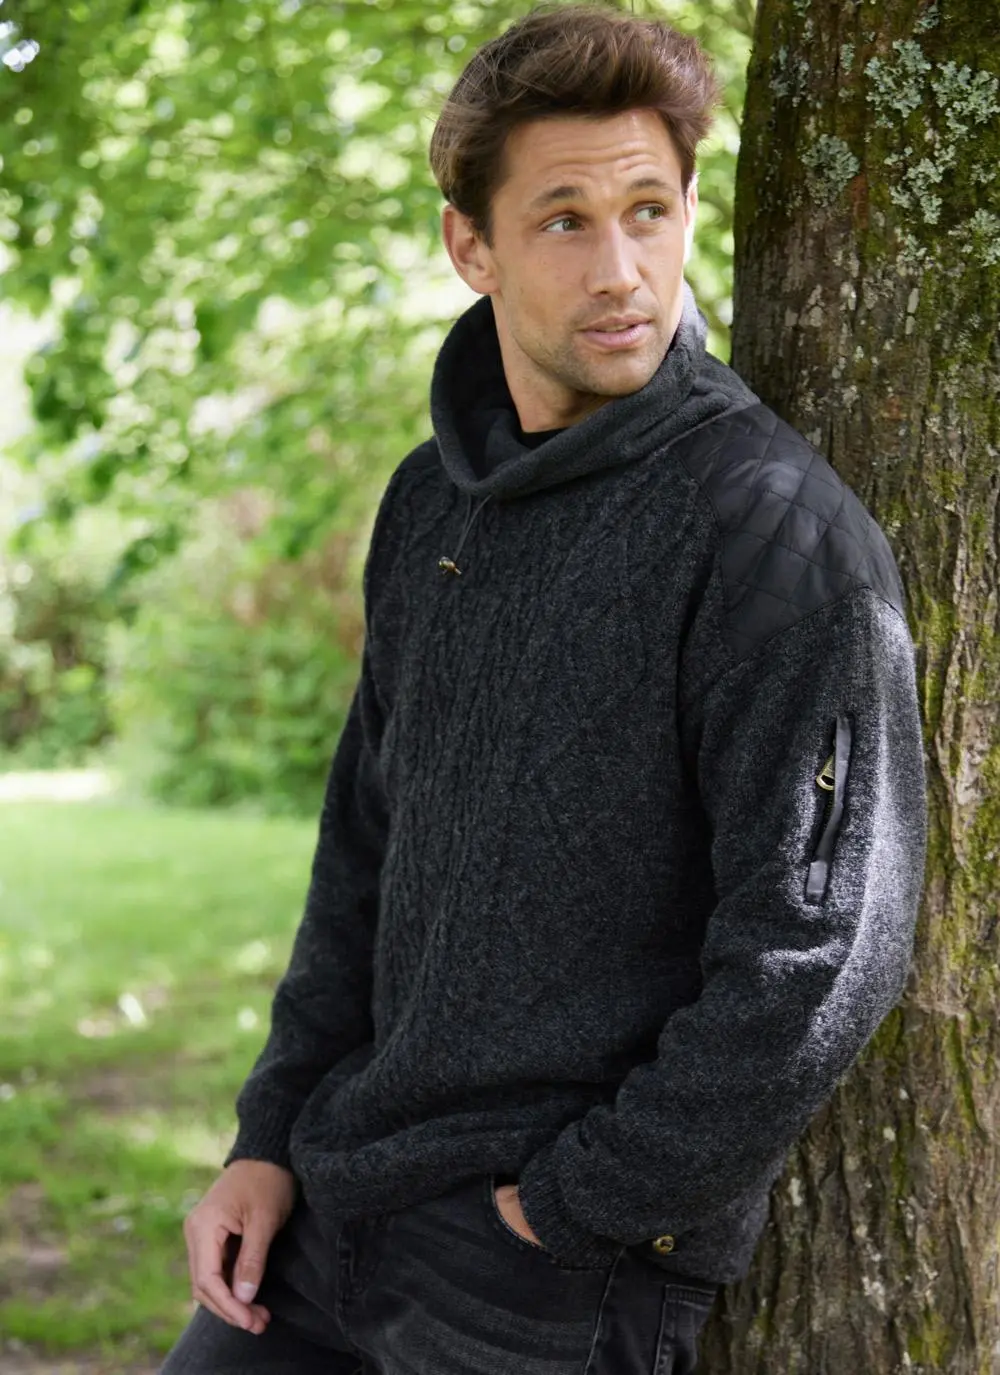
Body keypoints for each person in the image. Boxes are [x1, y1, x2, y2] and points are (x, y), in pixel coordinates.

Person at [160, 4, 928, 1373]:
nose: (621, 270)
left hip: (540, 1269)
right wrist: (265, 1137)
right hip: (337, 1205)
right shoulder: (428, 502)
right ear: (473, 246)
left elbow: (824, 948)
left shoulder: (771, 532)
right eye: (565, 220)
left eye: (649, 211)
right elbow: (364, 852)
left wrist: (574, 1207)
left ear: (688, 212)